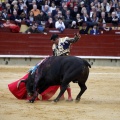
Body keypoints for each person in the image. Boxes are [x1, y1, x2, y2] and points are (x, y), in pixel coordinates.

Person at [50, 33, 81, 101]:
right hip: (59, 63)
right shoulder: (53, 46)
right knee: (60, 79)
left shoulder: (65, 39)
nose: (53, 42)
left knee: (65, 79)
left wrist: (76, 38)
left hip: (66, 62)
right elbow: (54, 56)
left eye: (53, 40)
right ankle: (62, 96)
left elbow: (73, 40)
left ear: (56, 39)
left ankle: (70, 96)